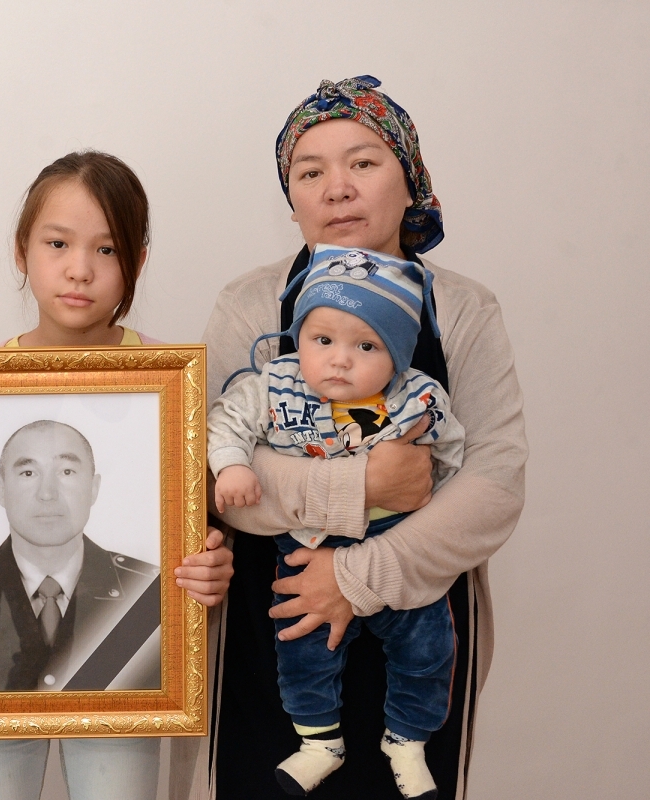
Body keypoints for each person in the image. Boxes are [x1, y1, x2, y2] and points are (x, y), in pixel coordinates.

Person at [0, 151, 234, 800]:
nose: (80, 268)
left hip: (128, 672)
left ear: (138, 261)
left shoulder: (173, 388)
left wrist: (212, 567)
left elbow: (201, 527)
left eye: (107, 249)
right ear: (21, 250)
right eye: (57, 243)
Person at [204, 76, 527, 799]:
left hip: (421, 595)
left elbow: (494, 482)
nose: (337, 188)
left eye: (363, 162)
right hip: (277, 610)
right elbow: (216, 470)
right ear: (291, 200)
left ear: (411, 181)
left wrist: (354, 578)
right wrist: (363, 486)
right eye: (309, 172)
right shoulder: (248, 304)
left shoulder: (465, 310)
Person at [208, 245, 466, 798]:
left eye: (366, 346)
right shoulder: (274, 384)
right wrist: (231, 465)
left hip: (396, 544)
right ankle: (319, 742)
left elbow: (455, 457)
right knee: (302, 651)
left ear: (398, 356)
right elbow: (224, 421)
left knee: (428, 648)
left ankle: (407, 740)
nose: (339, 360)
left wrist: (432, 490)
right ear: (298, 337)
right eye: (321, 340)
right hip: (306, 542)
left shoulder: (415, 397)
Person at [0, 419, 160, 694]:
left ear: (93, 488)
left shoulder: (149, 591)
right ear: (0, 490)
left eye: (66, 471)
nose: (47, 493)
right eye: (28, 473)